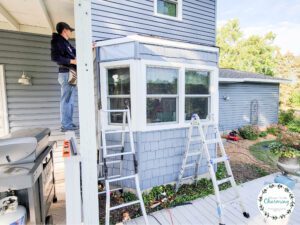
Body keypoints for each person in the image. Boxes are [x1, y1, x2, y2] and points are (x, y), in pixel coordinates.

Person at [51, 22, 78, 132]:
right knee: (66, 100)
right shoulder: (57, 41)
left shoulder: (67, 44)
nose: (71, 32)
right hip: (66, 73)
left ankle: (69, 123)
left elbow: (77, 52)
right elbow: (55, 57)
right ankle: (66, 125)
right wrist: (72, 61)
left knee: (70, 100)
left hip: (71, 73)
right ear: (65, 30)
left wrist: (89, 47)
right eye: (70, 30)